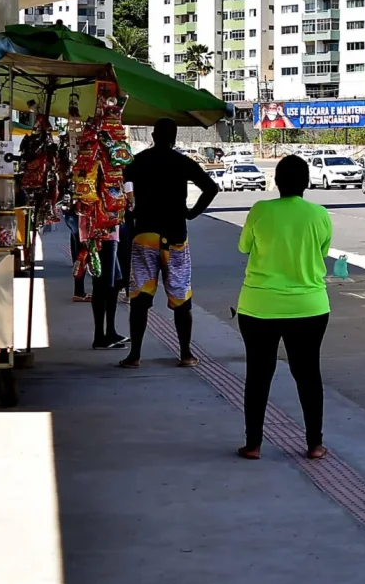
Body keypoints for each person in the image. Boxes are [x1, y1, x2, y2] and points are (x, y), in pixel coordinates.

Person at [234, 155, 333, 461]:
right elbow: (323, 250)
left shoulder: (260, 210)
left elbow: (244, 247)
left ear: (276, 182)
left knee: (258, 375)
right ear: (307, 182)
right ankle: (315, 444)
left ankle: (253, 445)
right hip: (310, 306)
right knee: (308, 375)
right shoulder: (319, 215)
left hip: (258, 307)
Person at [118, 118, 220, 368]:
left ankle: (134, 356)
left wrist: (131, 215)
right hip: (175, 238)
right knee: (181, 298)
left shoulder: (137, 161)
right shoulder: (182, 162)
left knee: (140, 298)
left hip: (144, 235)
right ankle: (186, 354)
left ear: (153, 136)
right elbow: (211, 188)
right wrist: (192, 213)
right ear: (174, 137)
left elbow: (122, 189)